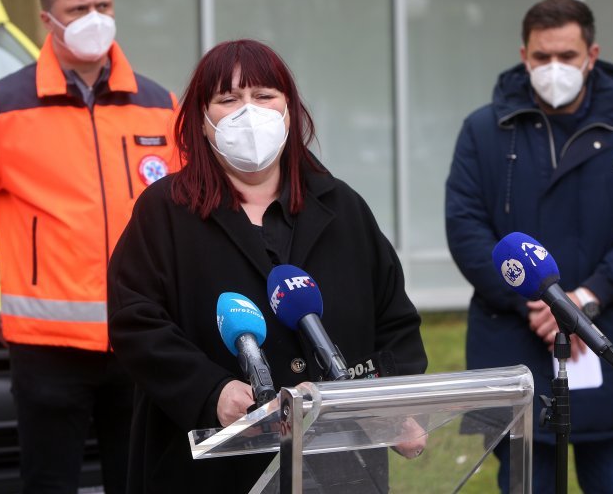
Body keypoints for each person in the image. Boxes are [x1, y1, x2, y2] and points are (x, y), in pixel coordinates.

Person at [107, 39, 428, 493]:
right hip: (212, 471)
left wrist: (393, 402)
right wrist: (210, 391)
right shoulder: (164, 211)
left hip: (339, 464)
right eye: (228, 99)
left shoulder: (343, 207)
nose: (248, 112)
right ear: (200, 120)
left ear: (289, 110)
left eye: (263, 96)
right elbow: (134, 322)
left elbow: (394, 319)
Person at [0, 0, 180, 494]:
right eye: (79, 7)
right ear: (48, 19)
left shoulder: (160, 107)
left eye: (104, 4)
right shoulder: (4, 108)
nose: (95, 17)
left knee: (142, 482)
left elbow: (187, 216)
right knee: (50, 485)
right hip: (46, 350)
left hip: (142, 340)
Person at [445, 0, 613, 493]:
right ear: (523, 54)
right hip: (514, 331)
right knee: (524, 480)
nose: (554, 68)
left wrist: (585, 298)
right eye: (542, 56)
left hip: (607, 329)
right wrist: (533, 300)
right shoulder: (485, 130)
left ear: (592, 55)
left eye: (567, 57)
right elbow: (465, 227)